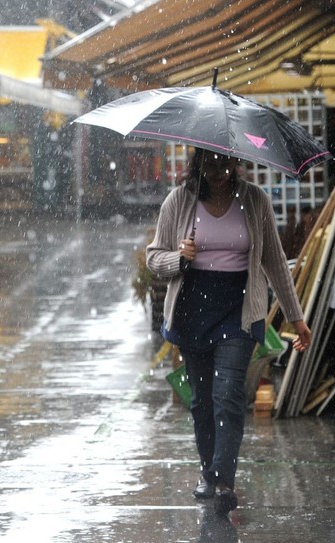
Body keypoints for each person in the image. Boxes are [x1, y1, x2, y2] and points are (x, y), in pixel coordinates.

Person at [146, 148, 311, 516]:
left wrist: (296, 316)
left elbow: (275, 263)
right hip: (192, 310)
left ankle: (223, 480)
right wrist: (179, 257)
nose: (219, 170)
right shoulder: (178, 201)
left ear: (237, 162)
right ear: (198, 163)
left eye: (226, 162)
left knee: (228, 393)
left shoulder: (254, 201)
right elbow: (154, 257)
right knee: (202, 400)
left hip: (239, 310)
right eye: (211, 162)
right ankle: (208, 471)